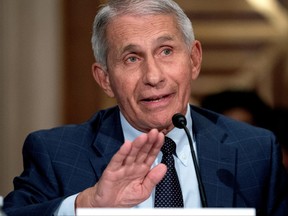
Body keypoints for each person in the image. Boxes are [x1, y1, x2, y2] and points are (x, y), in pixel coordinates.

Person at [3, 0, 288, 215]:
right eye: (131, 58)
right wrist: (87, 204)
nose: (153, 77)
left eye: (166, 51)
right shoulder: (56, 153)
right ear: (104, 79)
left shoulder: (256, 150)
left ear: (194, 60)